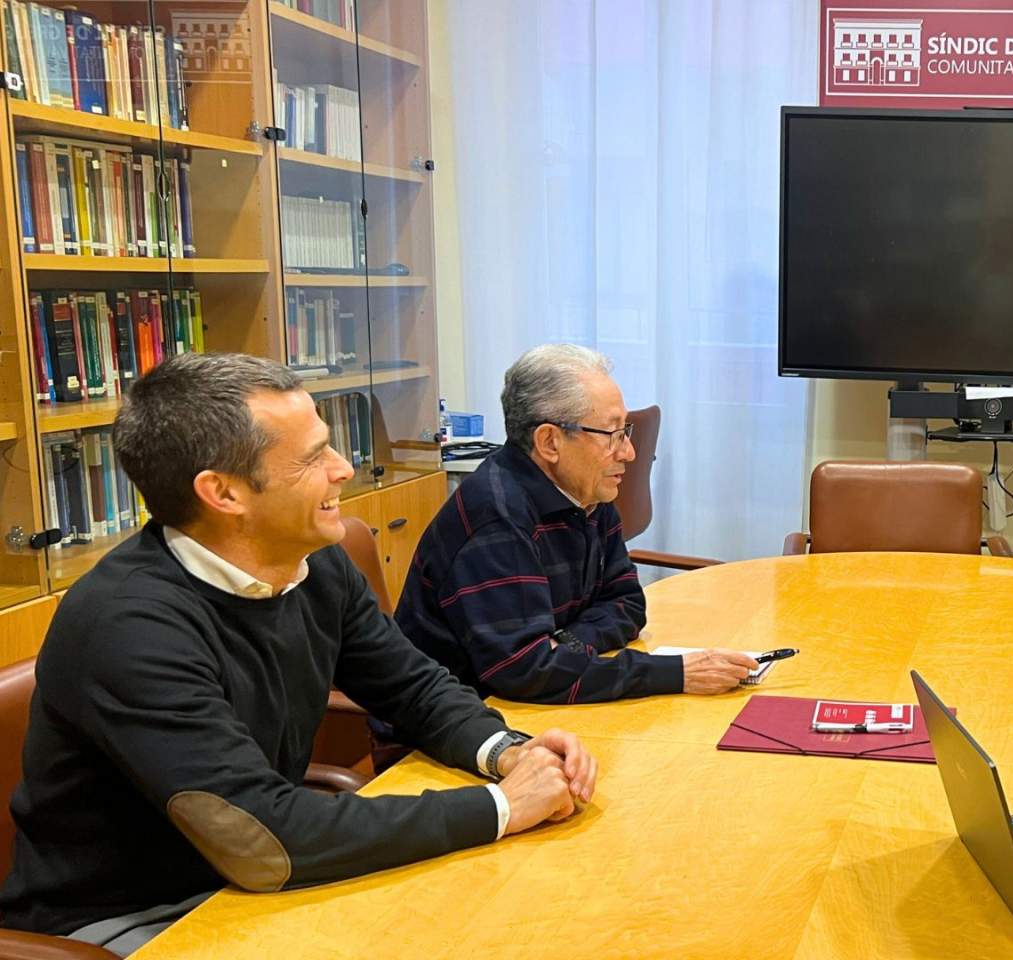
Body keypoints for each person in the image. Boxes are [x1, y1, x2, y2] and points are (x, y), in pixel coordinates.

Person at [1, 354, 596, 954]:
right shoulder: (127, 625)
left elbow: (413, 687)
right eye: (313, 457)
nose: (342, 469)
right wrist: (500, 807)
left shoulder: (311, 561)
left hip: (252, 881)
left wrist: (508, 754)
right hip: (134, 921)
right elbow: (263, 839)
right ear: (224, 492)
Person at [395, 344, 755, 703]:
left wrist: (565, 644)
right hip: (453, 727)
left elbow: (628, 602)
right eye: (612, 434)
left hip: (528, 707)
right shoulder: (495, 516)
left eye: (625, 431)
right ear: (550, 441)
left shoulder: (586, 493)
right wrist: (675, 673)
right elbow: (526, 671)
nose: (629, 452)